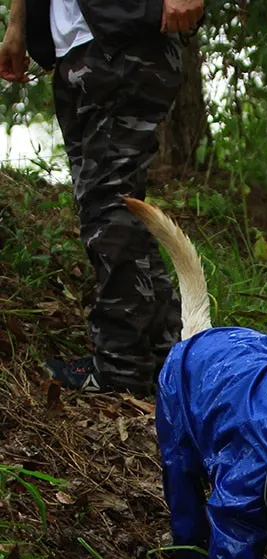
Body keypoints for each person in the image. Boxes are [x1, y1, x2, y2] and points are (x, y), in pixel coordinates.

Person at [0, 0, 204, 396]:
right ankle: (169, 355)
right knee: (117, 209)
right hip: (72, 51)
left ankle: (120, 367)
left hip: (128, 38)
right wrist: (17, 26)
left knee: (109, 208)